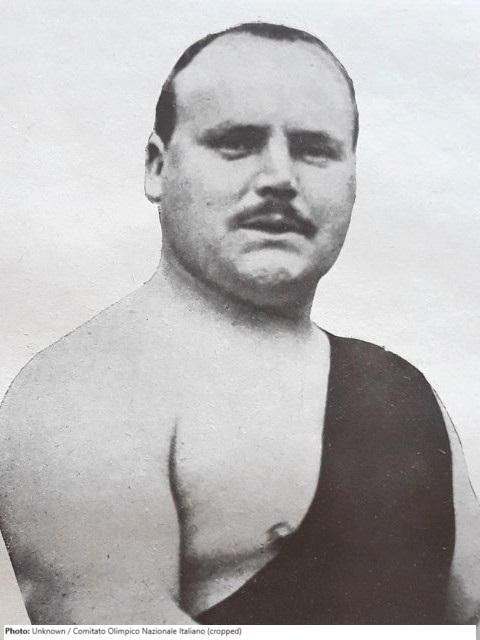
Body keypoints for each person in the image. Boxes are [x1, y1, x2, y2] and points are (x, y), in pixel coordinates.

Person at [0, 22, 479, 626]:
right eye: (237, 143)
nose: (280, 178)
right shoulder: (82, 393)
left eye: (314, 149)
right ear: (157, 167)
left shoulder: (400, 388)